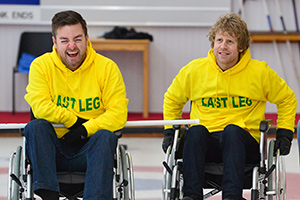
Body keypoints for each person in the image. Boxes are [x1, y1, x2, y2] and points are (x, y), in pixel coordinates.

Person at [162, 13, 297, 200]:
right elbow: (172, 99)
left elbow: (287, 99)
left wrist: (285, 131)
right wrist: (170, 130)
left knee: (232, 131)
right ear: (213, 42)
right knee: (195, 131)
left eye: (230, 42)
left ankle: (232, 196)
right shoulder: (194, 70)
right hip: (206, 142)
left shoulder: (259, 72)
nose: (223, 46)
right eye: (219, 40)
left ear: (241, 47)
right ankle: (191, 196)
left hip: (243, 142)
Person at [24, 10, 128, 200]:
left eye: (78, 39)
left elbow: (118, 114)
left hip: (90, 152)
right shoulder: (40, 66)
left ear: (87, 39)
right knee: (35, 126)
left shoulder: (107, 68)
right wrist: (73, 120)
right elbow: (40, 107)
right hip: (52, 153)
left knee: (106, 136)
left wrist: (84, 130)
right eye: (64, 40)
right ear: (54, 42)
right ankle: (49, 196)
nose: (72, 46)